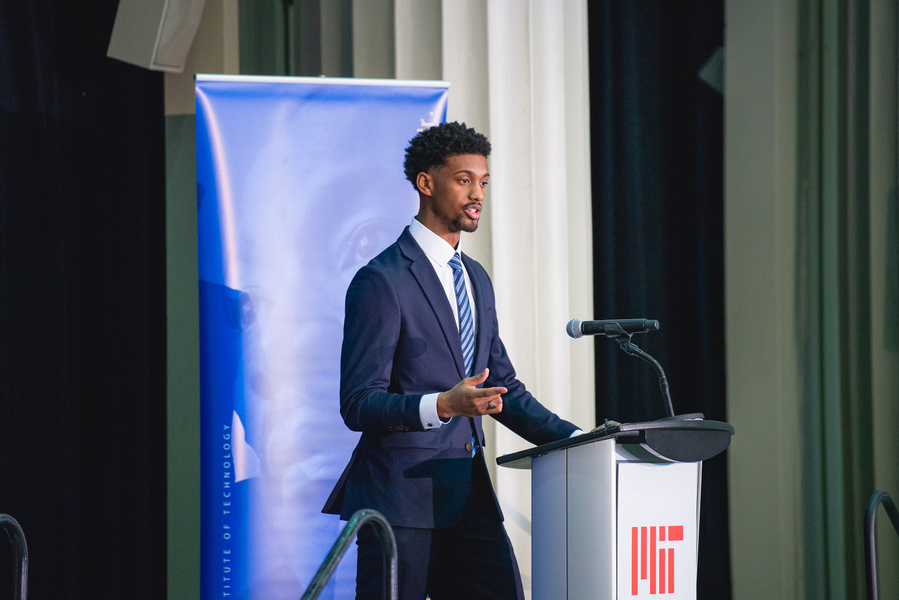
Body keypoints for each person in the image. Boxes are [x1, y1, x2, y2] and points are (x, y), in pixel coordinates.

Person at [323, 121, 581, 599]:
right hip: (398, 502)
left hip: (468, 496)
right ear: (426, 183)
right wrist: (442, 405)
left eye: (483, 182)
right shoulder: (381, 280)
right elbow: (358, 403)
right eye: (464, 180)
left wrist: (581, 439)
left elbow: (504, 387)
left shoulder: (476, 278)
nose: (477, 193)